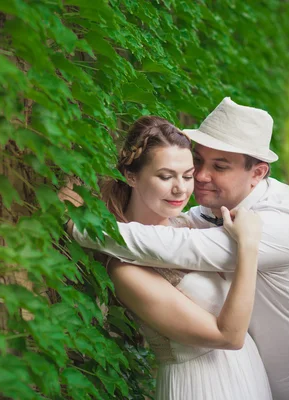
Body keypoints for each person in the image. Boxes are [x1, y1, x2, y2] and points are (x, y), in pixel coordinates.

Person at [69, 99, 289, 400]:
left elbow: (183, 247)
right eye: (198, 161)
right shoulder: (205, 213)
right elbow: (167, 223)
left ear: (257, 173)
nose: (199, 177)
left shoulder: (281, 221)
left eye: (220, 166)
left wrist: (84, 227)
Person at [65, 115, 272, 399]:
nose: (181, 188)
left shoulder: (190, 225)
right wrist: (248, 246)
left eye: (187, 175)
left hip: (247, 373)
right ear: (131, 176)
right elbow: (229, 336)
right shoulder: (125, 270)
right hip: (201, 384)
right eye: (166, 176)